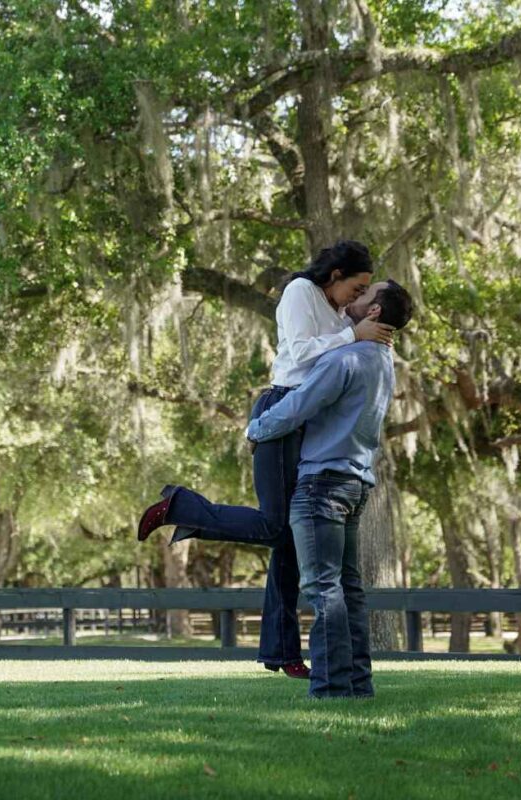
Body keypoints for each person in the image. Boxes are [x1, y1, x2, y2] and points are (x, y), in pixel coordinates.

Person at [137, 241, 394, 679]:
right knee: (279, 527)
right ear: (336, 274)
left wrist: (358, 334)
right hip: (283, 409)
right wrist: (354, 336)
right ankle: (180, 506)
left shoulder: (336, 310)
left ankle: (281, 651)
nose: (359, 295)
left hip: (305, 418)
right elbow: (299, 353)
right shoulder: (300, 291)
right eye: (359, 285)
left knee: (293, 541)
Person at [245, 280, 413, 698]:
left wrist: (256, 428)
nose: (353, 301)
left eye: (363, 295)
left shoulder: (347, 360)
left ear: (374, 312)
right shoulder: (382, 359)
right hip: (355, 484)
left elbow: (298, 406)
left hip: (321, 484)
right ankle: (358, 683)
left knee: (324, 591)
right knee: (348, 592)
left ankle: (331, 687)